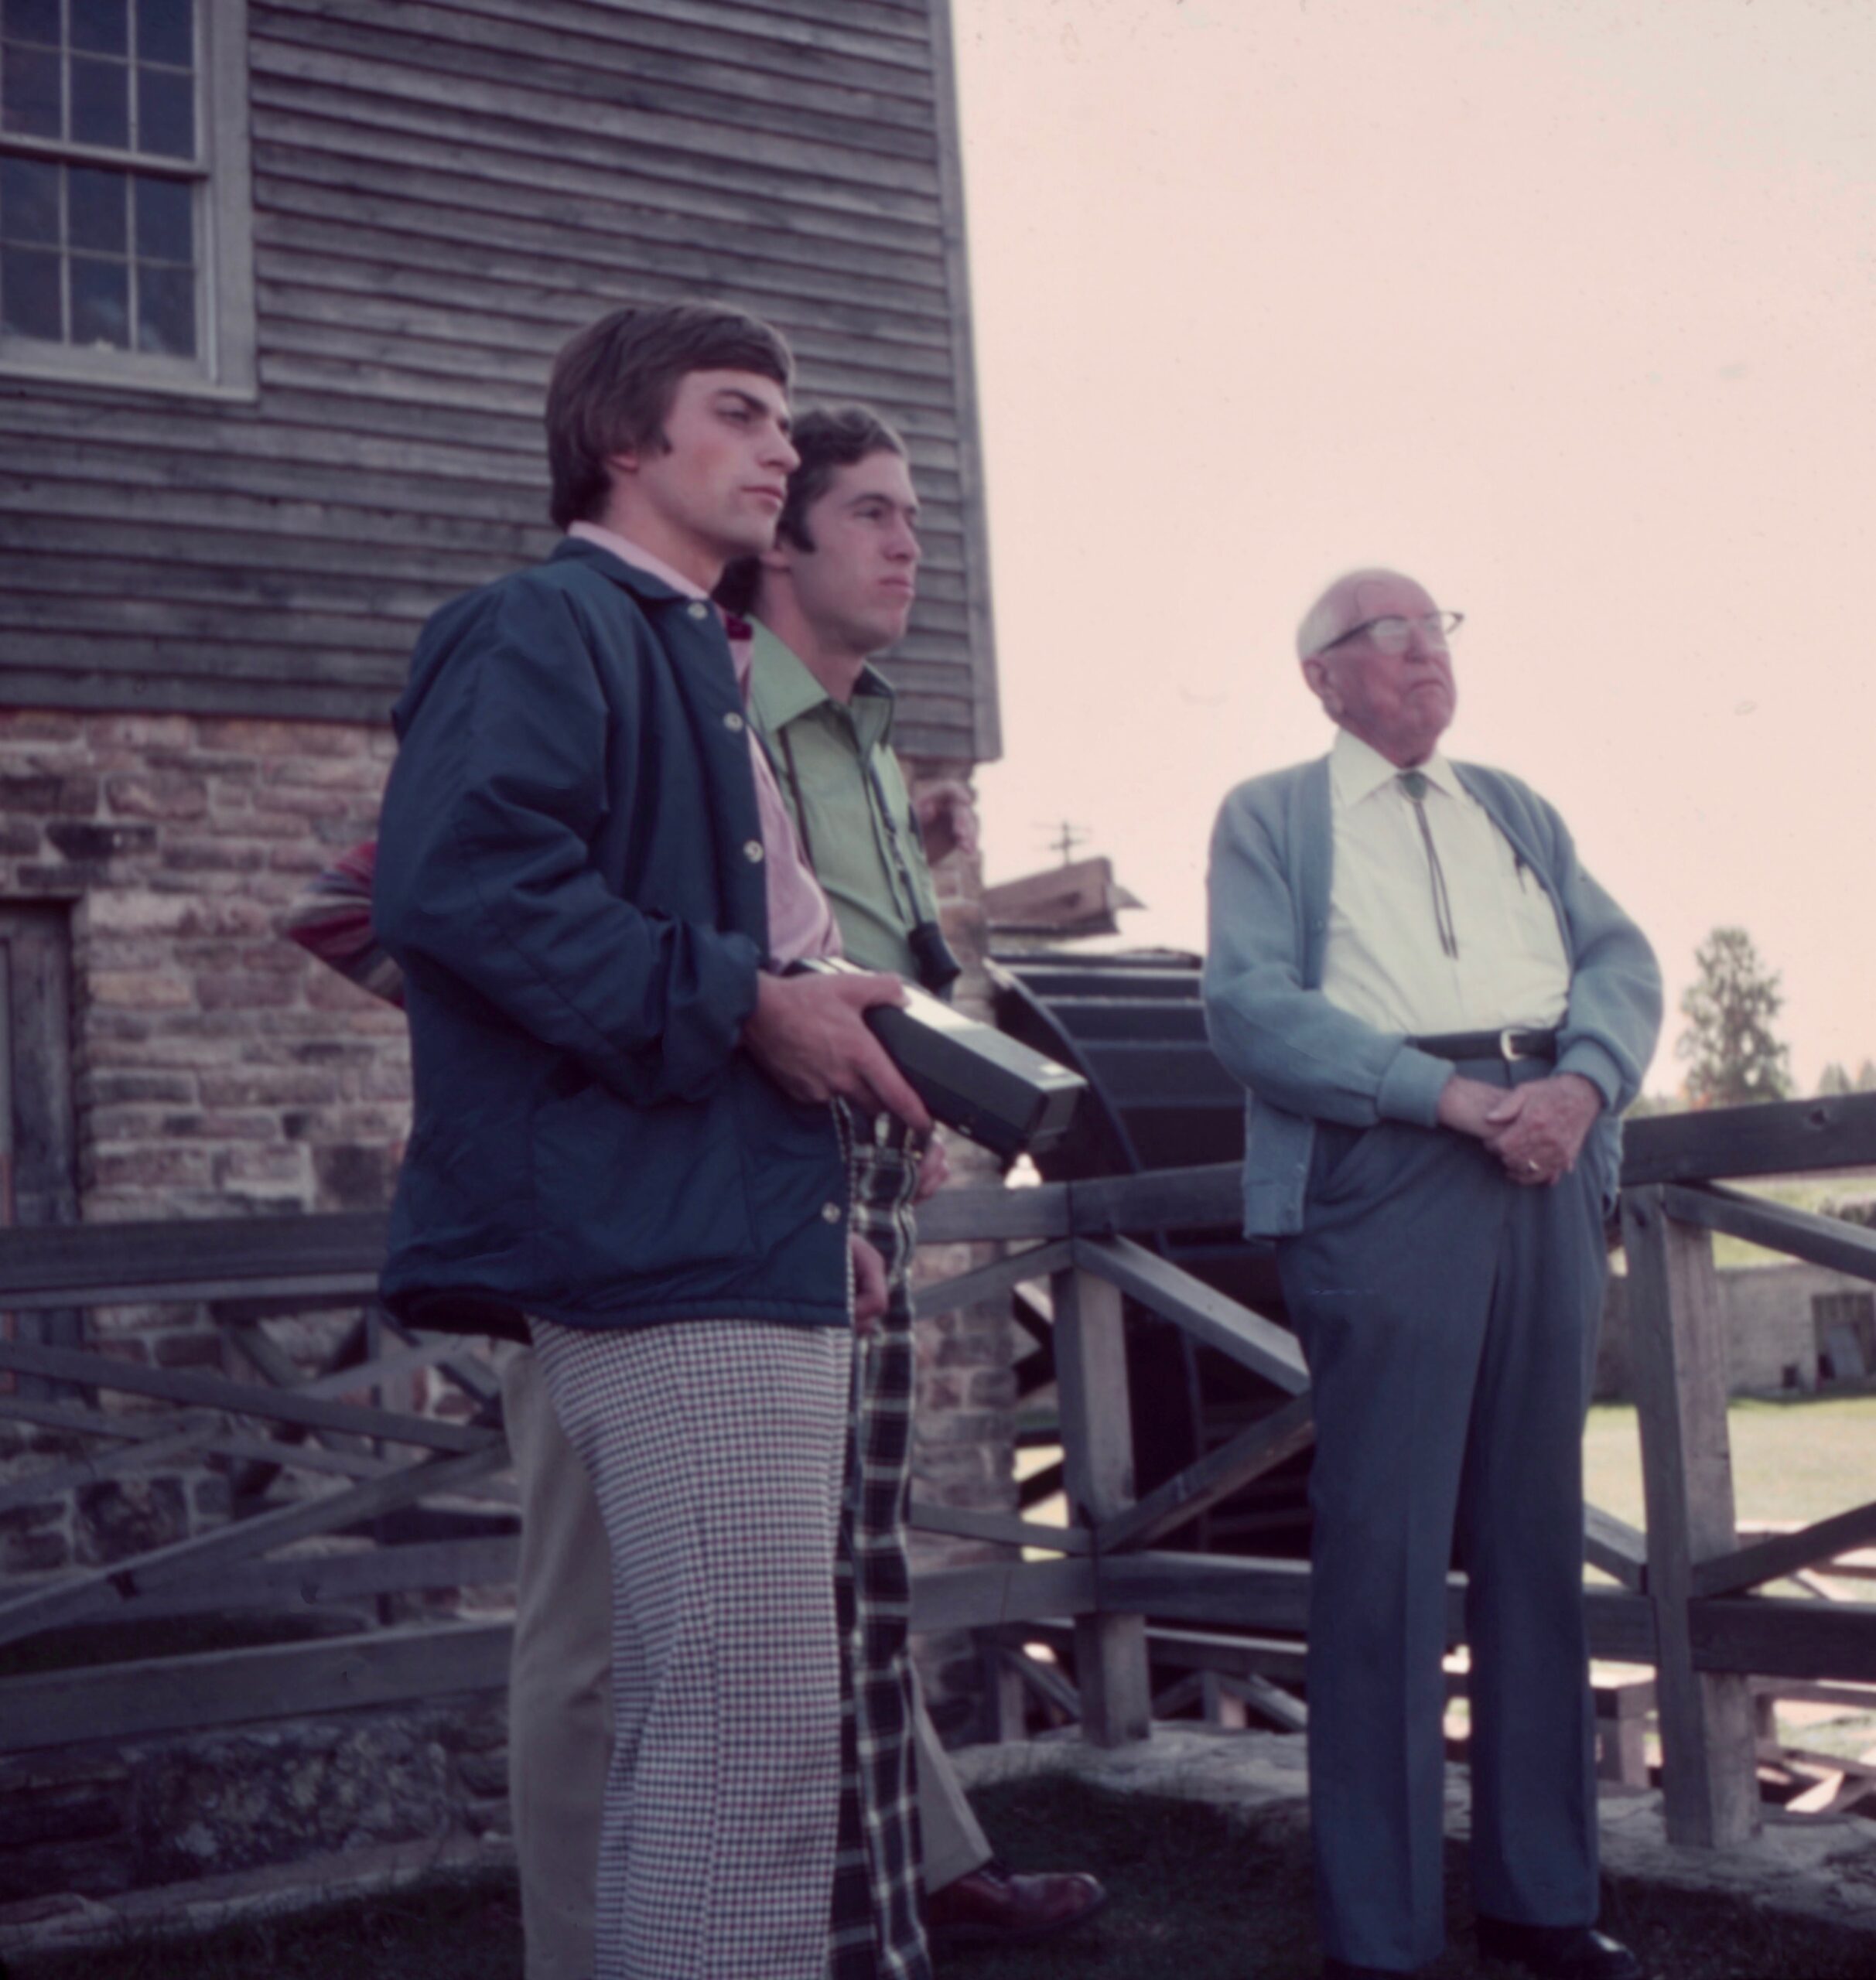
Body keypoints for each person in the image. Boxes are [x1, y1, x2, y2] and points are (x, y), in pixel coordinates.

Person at [371, 299, 932, 1980]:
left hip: (727, 1231)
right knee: (730, 1744)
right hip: (641, 1256)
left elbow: (728, 964)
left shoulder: (692, 656)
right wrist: (755, 1009)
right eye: (741, 413)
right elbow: (458, 889)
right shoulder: (543, 623)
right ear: (626, 442)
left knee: (753, 1732)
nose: (779, 446)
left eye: (781, 422)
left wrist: (791, 1190)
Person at [1201, 569, 1661, 1980]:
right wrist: (1446, 1101)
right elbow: (1248, 1007)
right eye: (1383, 635)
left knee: (1533, 1535)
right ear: (1320, 677)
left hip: (1550, 1166)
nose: (1421, 655)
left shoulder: (1512, 804)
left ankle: (1539, 1900)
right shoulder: (1272, 815)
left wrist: (1580, 1089)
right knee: (1386, 1552)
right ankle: (1380, 1932)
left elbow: (1620, 959)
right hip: (1391, 1169)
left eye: (1436, 629)